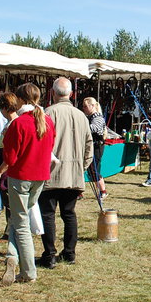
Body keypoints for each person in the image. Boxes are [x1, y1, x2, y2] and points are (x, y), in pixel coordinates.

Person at [0, 83, 55, 285]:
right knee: (19, 219)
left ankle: (28, 271)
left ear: (20, 99)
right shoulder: (47, 121)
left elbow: (10, 157)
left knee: (21, 223)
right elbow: (50, 147)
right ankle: (12, 256)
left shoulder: (19, 123)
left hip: (21, 177)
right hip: (40, 177)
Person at [38, 78, 93, 268]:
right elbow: (89, 146)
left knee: (48, 214)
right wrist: (81, 167)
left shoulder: (47, 113)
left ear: (53, 93)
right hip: (72, 173)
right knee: (69, 214)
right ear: (71, 94)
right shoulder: (81, 116)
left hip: (50, 173)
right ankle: (69, 253)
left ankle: (50, 255)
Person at [0, 92, 22, 239]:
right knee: (8, 202)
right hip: (6, 165)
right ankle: (10, 231)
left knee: (10, 203)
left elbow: (12, 153)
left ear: (4, 108)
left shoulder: (14, 124)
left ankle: (10, 233)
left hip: (8, 168)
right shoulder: (11, 123)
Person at [83, 97, 108, 199]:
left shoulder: (97, 117)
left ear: (92, 106)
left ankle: (103, 191)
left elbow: (94, 128)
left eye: (85, 106)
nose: (84, 108)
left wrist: (81, 126)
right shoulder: (89, 117)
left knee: (94, 170)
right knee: (89, 170)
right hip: (91, 146)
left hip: (97, 147)